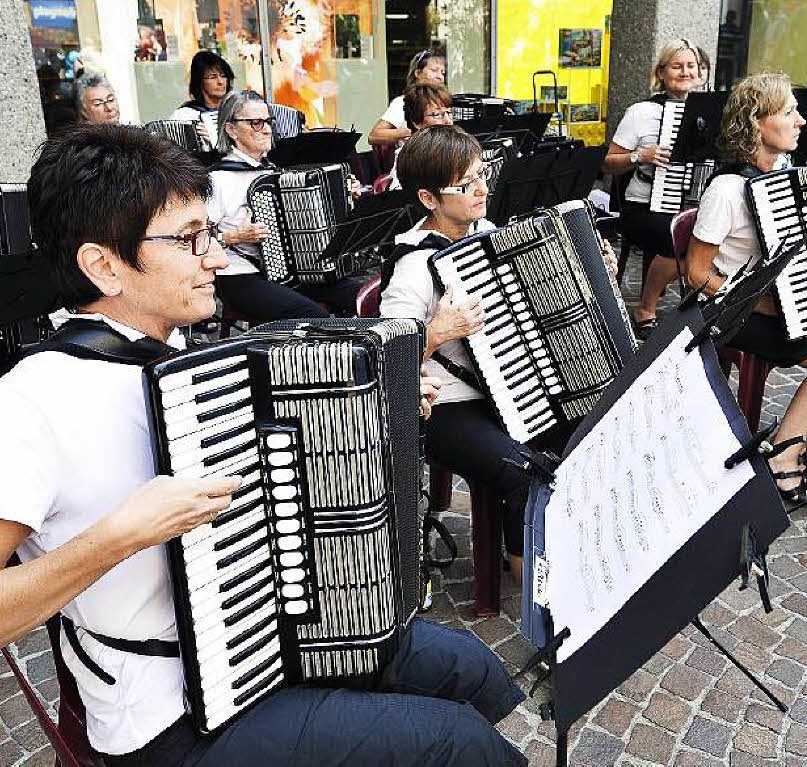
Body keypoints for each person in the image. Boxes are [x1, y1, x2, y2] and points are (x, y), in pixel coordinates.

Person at [0, 121, 526, 767]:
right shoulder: (30, 403)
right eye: (190, 239)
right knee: (452, 740)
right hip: (170, 712)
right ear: (102, 264)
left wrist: (378, 419)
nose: (217, 258)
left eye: (211, 235)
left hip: (273, 635)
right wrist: (120, 536)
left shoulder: (193, 364)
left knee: (464, 663)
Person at [379, 125, 617, 577]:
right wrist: (434, 331)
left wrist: (594, 272)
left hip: (512, 385)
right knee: (523, 473)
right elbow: (386, 361)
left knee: (590, 434)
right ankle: (534, 587)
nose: (482, 189)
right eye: (467, 184)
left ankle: (581, 552)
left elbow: (540, 296)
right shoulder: (411, 268)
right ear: (429, 199)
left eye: (482, 175)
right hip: (446, 406)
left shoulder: (487, 232)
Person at [684, 73, 807, 505]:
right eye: (789, 112)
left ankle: (795, 431)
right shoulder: (728, 188)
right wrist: (756, 301)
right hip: (737, 313)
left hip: (783, 304)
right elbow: (697, 274)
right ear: (757, 122)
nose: (801, 121)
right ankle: (782, 460)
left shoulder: (786, 176)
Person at [208, 90, 360, 320]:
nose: (268, 129)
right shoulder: (217, 178)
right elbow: (194, 240)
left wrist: (345, 196)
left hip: (288, 271)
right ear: (231, 130)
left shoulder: (274, 170)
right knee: (311, 314)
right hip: (239, 276)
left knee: (359, 294)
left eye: (268, 121)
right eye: (256, 123)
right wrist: (235, 237)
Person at [602, 38, 711, 339]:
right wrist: (641, 156)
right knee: (681, 238)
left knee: (716, 232)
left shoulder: (711, 112)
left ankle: (699, 306)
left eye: (691, 66)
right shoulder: (641, 112)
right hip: (643, 207)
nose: (686, 72)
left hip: (692, 203)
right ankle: (645, 308)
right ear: (661, 73)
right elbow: (607, 163)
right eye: (677, 66)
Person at [385, 82, 456, 190]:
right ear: (416, 122)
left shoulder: (454, 149)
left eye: (449, 113)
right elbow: (399, 197)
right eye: (436, 115)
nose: (448, 121)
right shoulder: (409, 157)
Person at [368, 49, 447, 147]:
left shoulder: (445, 103)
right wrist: (412, 131)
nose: (440, 76)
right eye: (434, 70)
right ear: (418, 73)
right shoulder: (402, 102)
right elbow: (374, 136)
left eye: (442, 72)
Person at [170, 51, 234, 148]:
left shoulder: (236, 110)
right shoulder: (185, 115)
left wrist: (215, 140)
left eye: (223, 76)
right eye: (212, 77)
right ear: (200, 81)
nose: (220, 82)